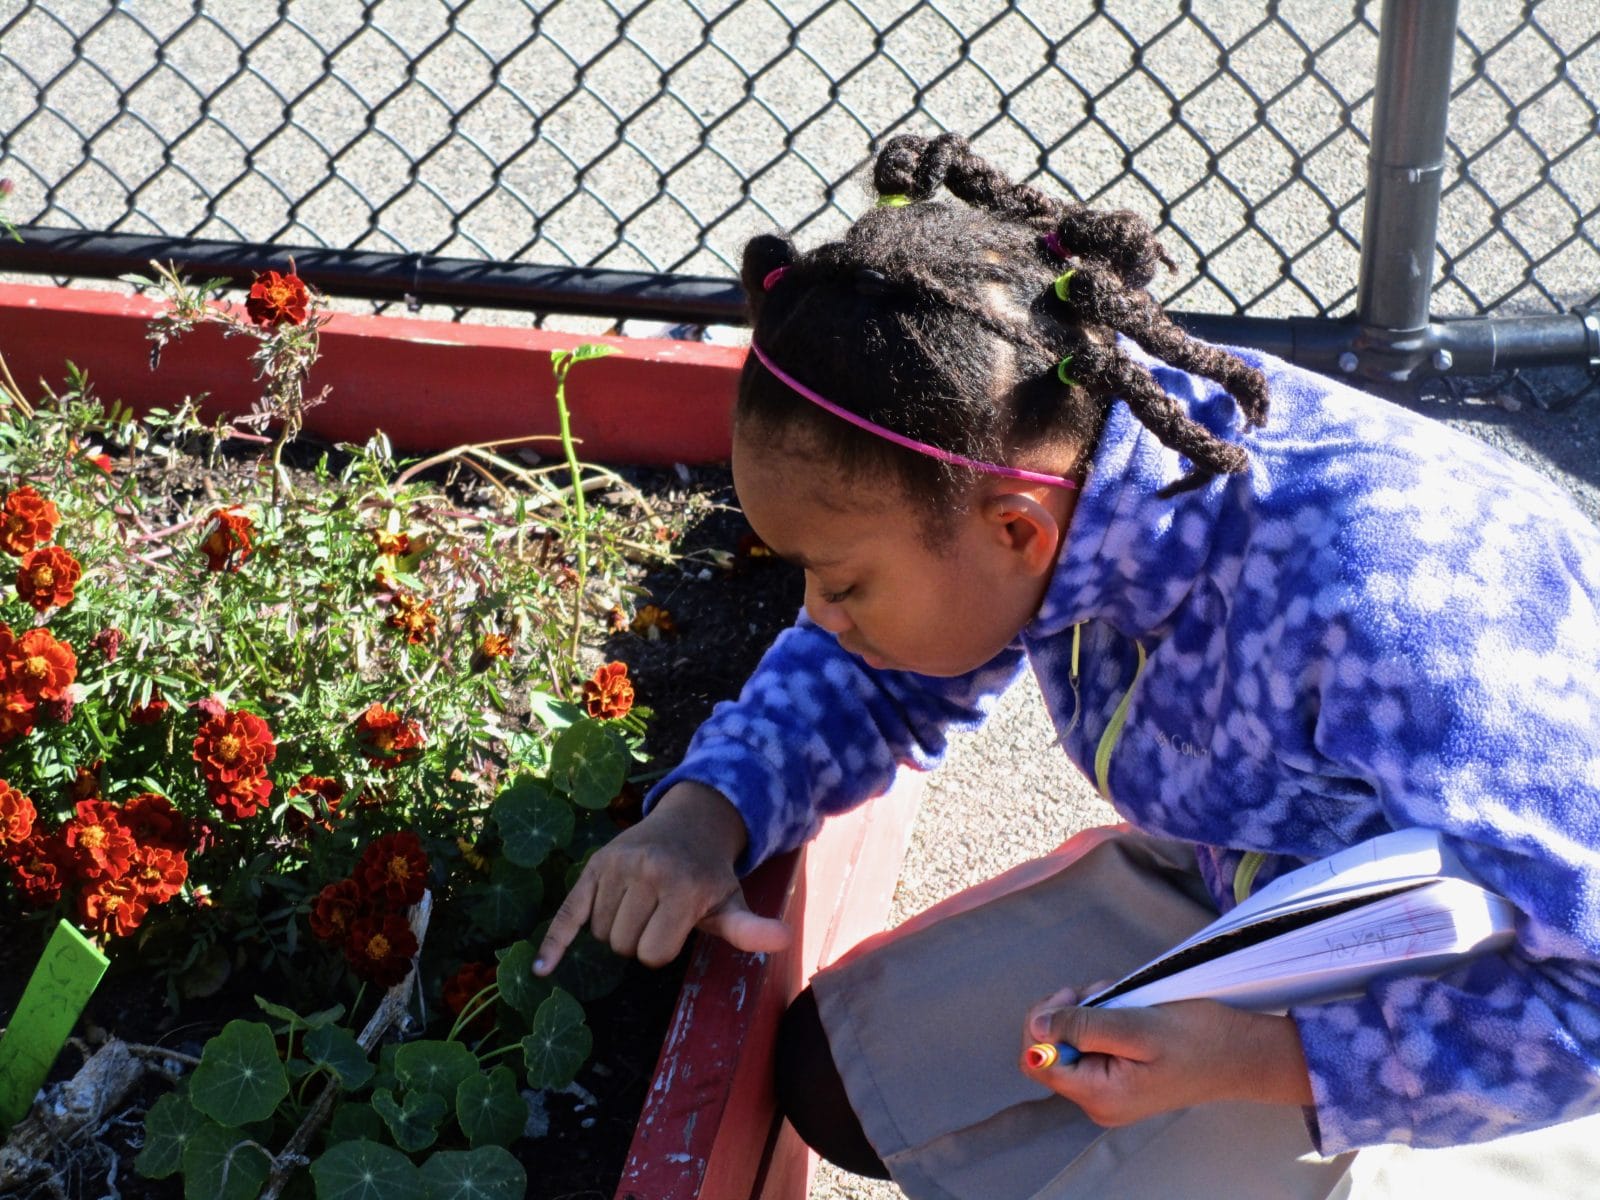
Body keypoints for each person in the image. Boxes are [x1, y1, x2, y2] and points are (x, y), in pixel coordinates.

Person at [535, 132, 1600, 1197]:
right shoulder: (1055, 453)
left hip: (1463, 991)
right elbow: (883, 666)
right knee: (843, 1082)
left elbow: (1587, 995)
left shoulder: (1390, 606)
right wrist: (705, 812)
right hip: (1259, 894)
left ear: (1015, 531)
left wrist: (1256, 1060)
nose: (818, 613)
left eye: (843, 582)